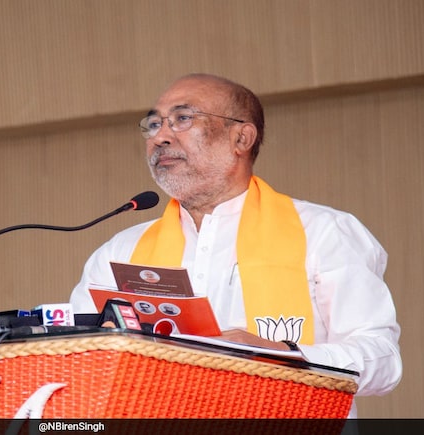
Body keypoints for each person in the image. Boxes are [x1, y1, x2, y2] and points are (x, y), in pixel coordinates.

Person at [69, 73, 402, 417]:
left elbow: (383, 361)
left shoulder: (323, 233)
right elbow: (76, 360)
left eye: (183, 119)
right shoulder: (121, 252)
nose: (160, 137)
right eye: (154, 124)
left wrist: (282, 355)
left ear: (241, 137)